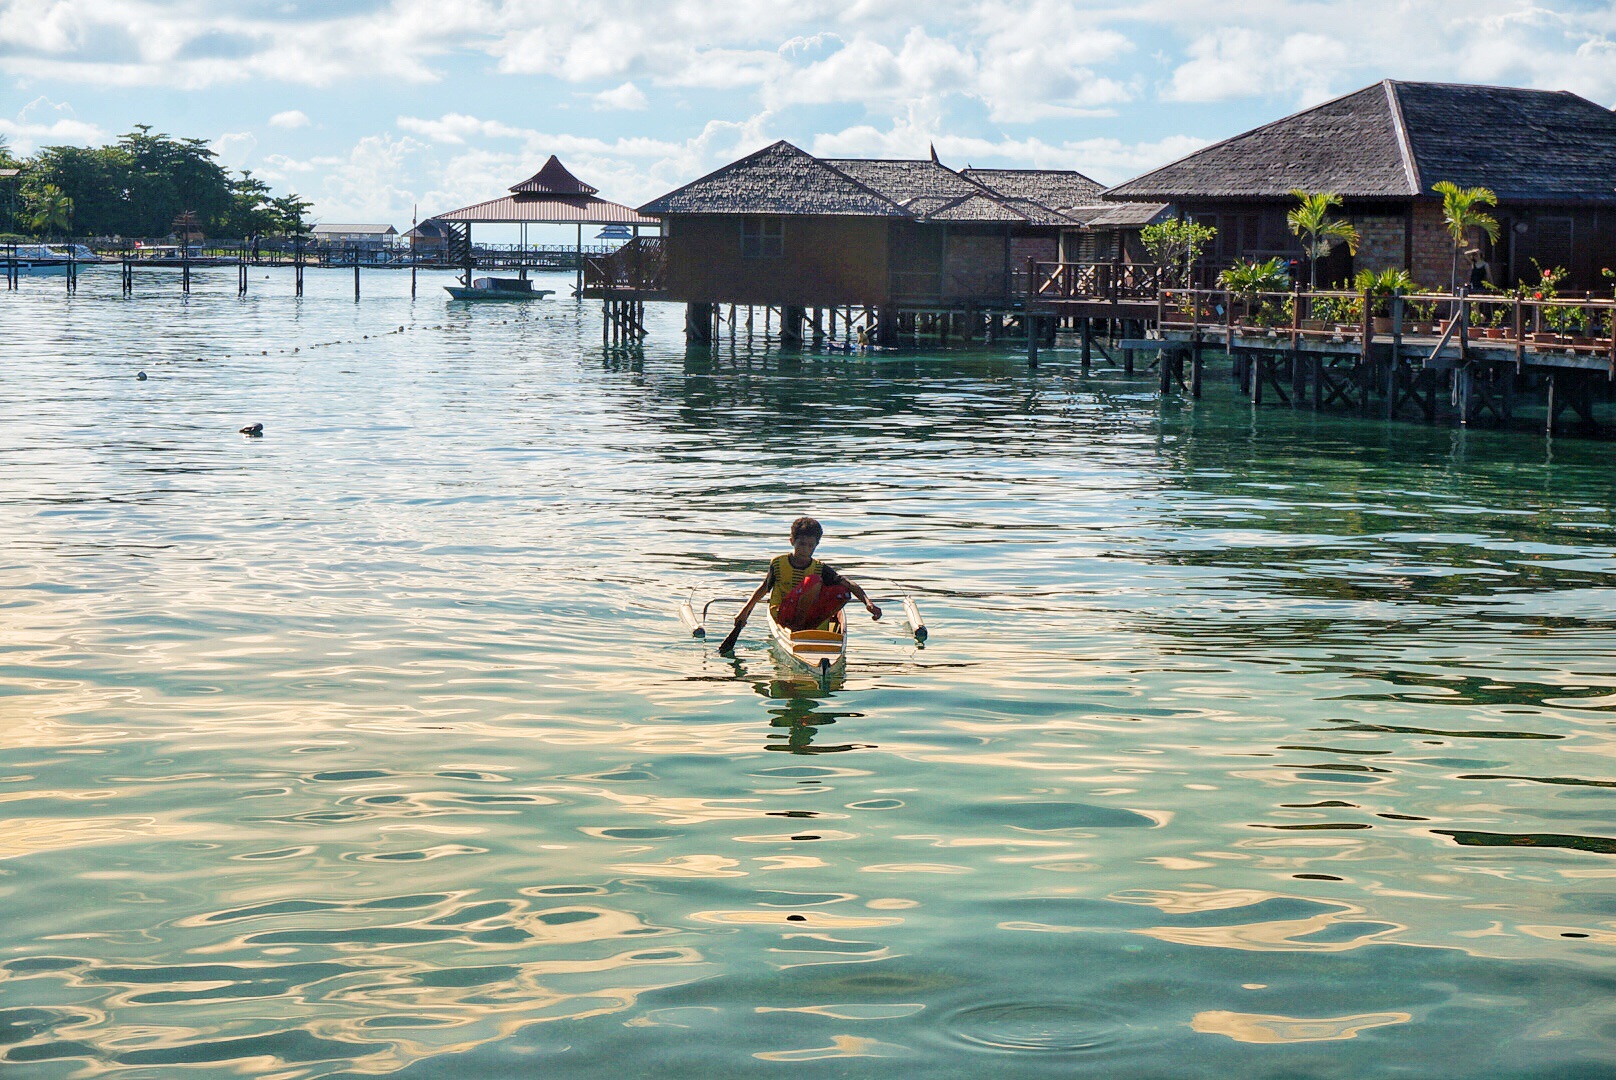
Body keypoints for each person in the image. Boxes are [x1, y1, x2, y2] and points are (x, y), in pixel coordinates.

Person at [719, 517, 881, 654]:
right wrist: (744, 611)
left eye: (811, 546)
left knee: (843, 591)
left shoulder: (819, 567)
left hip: (810, 618)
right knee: (813, 582)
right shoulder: (778, 563)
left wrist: (868, 603)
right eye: (801, 544)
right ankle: (797, 631)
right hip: (784, 614)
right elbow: (763, 589)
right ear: (792, 541)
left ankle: (811, 629)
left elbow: (850, 584)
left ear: (816, 545)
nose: (805, 550)